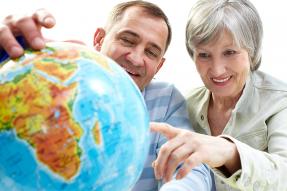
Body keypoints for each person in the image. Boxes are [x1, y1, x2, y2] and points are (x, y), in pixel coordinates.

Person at [0, 1, 214, 190]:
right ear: (99, 39)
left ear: (159, 66)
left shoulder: (166, 100)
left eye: (151, 52)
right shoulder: (46, 76)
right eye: (128, 40)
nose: (136, 58)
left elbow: (190, 167)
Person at [151, 0, 287, 190]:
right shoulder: (184, 105)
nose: (217, 70)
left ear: (252, 50)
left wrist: (230, 153)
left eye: (230, 52)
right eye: (204, 55)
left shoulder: (280, 101)